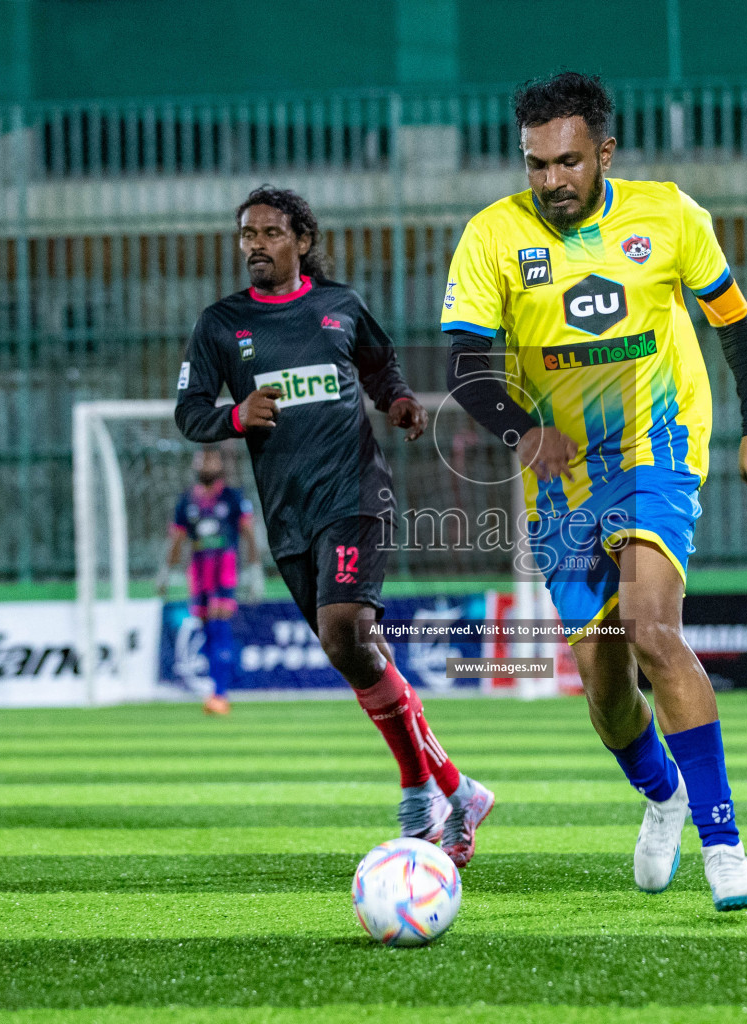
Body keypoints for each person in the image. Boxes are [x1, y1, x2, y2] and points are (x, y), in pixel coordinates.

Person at [443, 73, 747, 911]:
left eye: (567, 162)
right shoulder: (491, 237)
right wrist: (525, 430)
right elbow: (463, 362)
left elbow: (735, 324)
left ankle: (724, 844)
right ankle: (662, 793)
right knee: (603, 688)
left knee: (651, 625)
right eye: (535, 165)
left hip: (657, 448)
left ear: (605, 151)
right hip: (562, 479)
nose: (551, 181)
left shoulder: (670, 216)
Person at [174, 185, 493, 866]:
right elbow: (191, 410)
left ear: (302, 241)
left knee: (347, 628)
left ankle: (424, 789)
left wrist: (400, 401)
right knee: (347, 650)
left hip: (354, 495)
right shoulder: (220, 325)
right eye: (246, 234)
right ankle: (450, 789)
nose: (255, 244)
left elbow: (380, 367)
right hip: (289, 515)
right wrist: (235, 417)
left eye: (269, 232)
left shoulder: (339, 307)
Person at [157, 447, 264, 715]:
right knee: (207, 632)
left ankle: (220, 694)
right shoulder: (187, 502)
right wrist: (165, 573)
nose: (206, 462)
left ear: (221, 463)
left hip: (224, 570)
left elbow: (249, 533)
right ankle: (221, 685)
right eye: (202, 457)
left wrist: (254, 569)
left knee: (219, 628)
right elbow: (177, 540)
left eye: (211, 457)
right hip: (198, 573)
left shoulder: (232, 497)